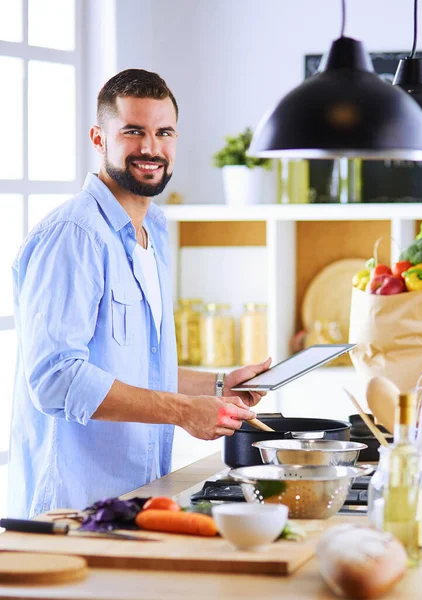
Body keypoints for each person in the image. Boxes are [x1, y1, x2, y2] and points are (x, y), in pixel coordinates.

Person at [8, 69, 271, 518]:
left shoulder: (154, 230)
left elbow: (137, 364)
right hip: (69, 510)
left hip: (134, 498)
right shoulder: (75, 234)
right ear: (99, 137)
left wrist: (218, 384)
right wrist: (183, 411)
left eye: (163, 133)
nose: (151, 148)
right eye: (133, 131)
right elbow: (55, 379)